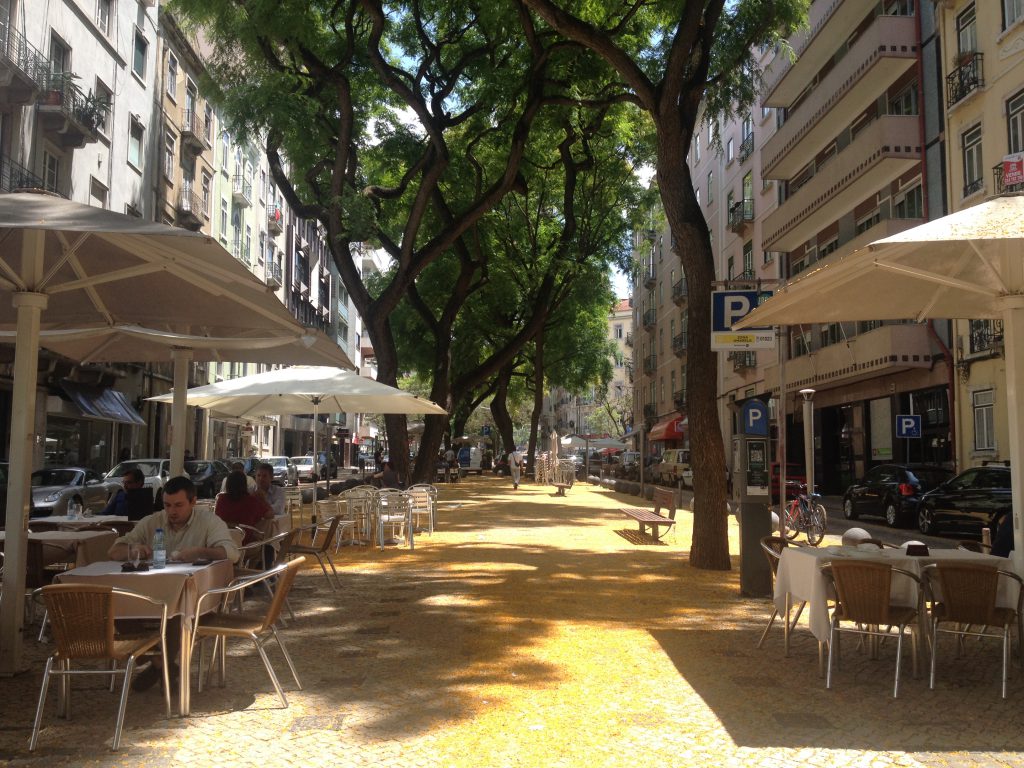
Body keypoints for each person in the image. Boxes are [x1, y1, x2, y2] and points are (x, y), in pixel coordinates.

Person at [107, 476, 239, 691]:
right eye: (167, 505)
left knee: (178, 611)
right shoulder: (152, 522)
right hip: (149, 598)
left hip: (195, 600)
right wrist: (133, 550)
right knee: (120, 608)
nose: (172, 511)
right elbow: (114, 551)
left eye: (178, 505)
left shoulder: (209, 522)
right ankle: (163, 665)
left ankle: (158, 665)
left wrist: (201, 551)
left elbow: (231, 553)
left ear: (193, 502)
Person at [216, 470, 274, 544]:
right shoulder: (251, 501)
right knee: (264, 541)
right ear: (244, 484)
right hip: (246, 544)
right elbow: (270, 515)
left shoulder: (221, 499)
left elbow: (217, 519)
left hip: (224, 544)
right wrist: (263, 500)